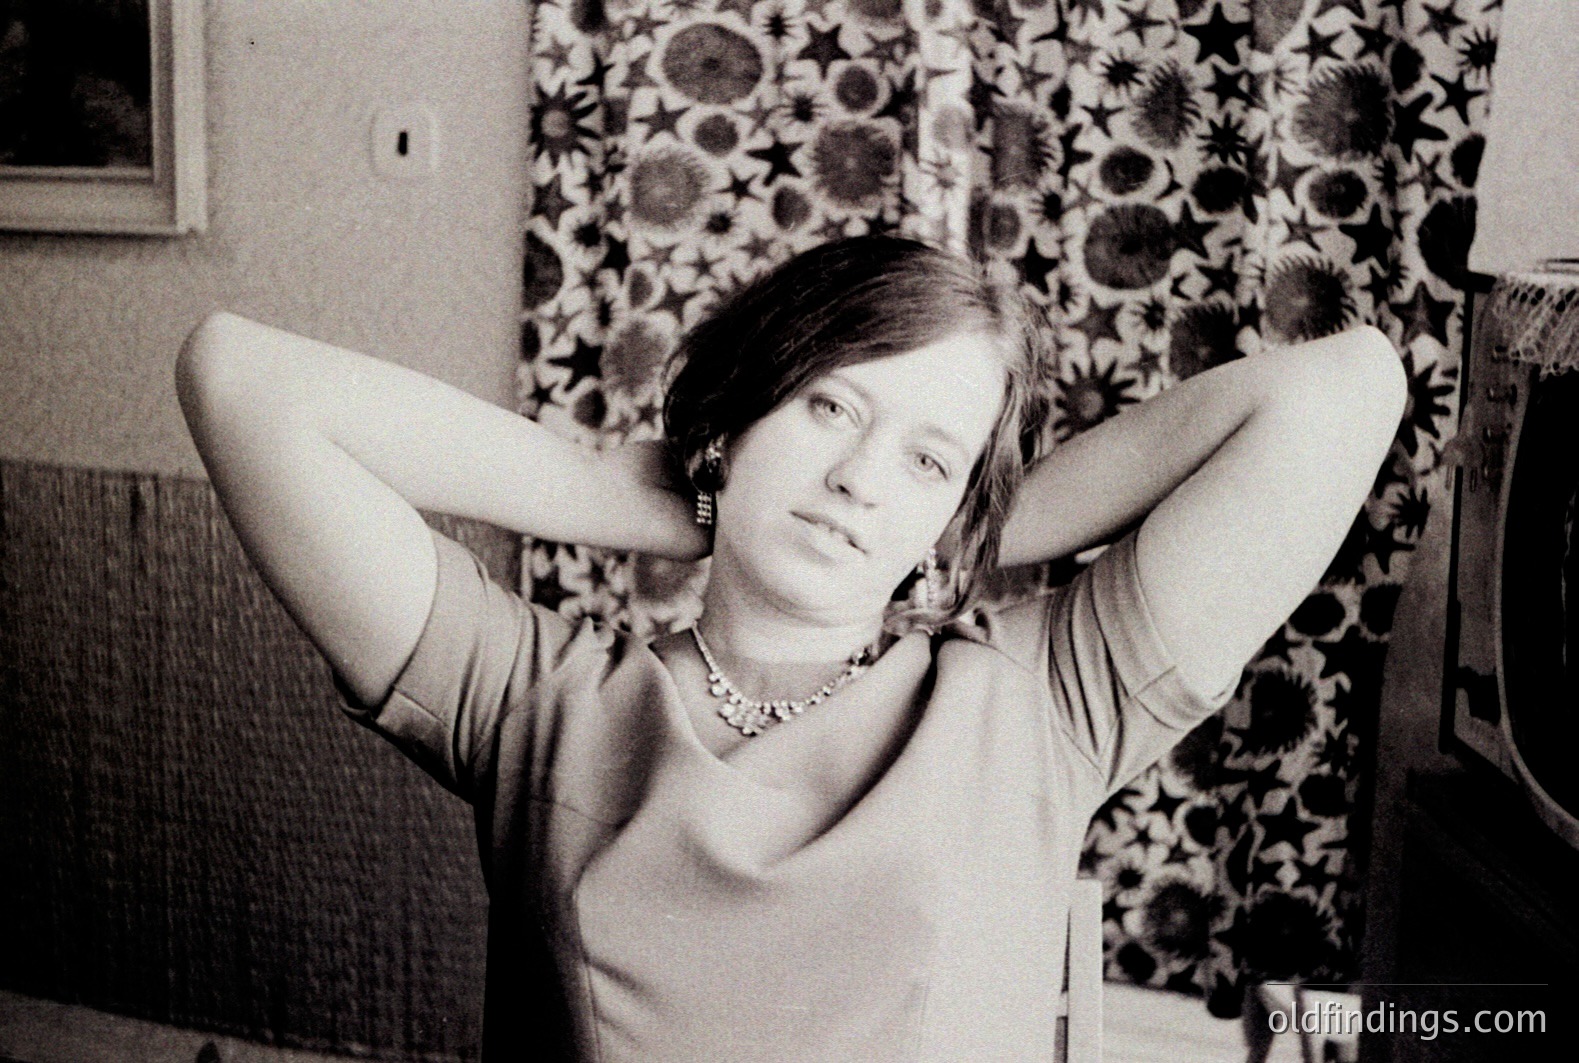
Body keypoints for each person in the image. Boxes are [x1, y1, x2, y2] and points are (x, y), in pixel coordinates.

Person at [175, 235, 1405, 1061]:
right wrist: (649, 492)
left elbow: (1345, 389)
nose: (861, 480)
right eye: (829, 406)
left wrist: (958, 534)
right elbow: (238, 380)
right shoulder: (533, 698)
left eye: (927, 456)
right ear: (740, 413)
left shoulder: (1039, 697)